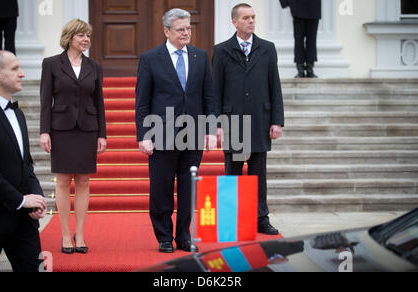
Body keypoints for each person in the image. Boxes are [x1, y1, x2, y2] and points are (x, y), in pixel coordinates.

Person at [135, 8, 217, 253]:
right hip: (161, 135)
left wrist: (211, 129)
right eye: (181, 29)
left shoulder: (200, 57)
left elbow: (209, 97)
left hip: (192, 134)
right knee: (161, 189)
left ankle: (183, 236)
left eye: (189, 28)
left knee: (187, 188)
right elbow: (142, 101)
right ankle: (163, 236)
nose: (186, 33)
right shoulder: (151, 58)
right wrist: (144, 136)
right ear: (166, 31)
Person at [212, 3, 284, 235]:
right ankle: (229, 220)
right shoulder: (222, 50)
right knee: (231, 174)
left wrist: (276, 120)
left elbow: (275, 86)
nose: (251, 21)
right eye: (246, 18)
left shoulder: (267, 48)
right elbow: (215, 90)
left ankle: (260, 218)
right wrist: (218, 124)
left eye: (253, 17)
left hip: (259, 121)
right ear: (235, 22)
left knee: (257, 174)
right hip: (232, 122)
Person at [0, 50, 47, 272]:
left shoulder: (19, 114)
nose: (22, 74)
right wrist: (21, 200)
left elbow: (27, 164)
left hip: (25, 220)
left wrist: (37, 199)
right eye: (15, 69)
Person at [39, 19, 107, 254]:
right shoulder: (51, 64)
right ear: (70, 37)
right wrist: (44, 131)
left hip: (87, 128)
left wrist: (102, 134)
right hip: (61, 129)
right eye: (81, 35)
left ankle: (80, 234)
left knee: (84, 181)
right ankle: (65, 235)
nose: (86, 39)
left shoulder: (95, 66)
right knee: (62, 181)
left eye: (88, 35)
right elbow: (45, 101)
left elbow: (99, 102)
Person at [280, 0, 321, 78]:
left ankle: (310, 68)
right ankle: (300, 69)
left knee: (312, 40)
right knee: (298, 40)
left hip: (314, 7)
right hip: (297, 7)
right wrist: (285, 3)